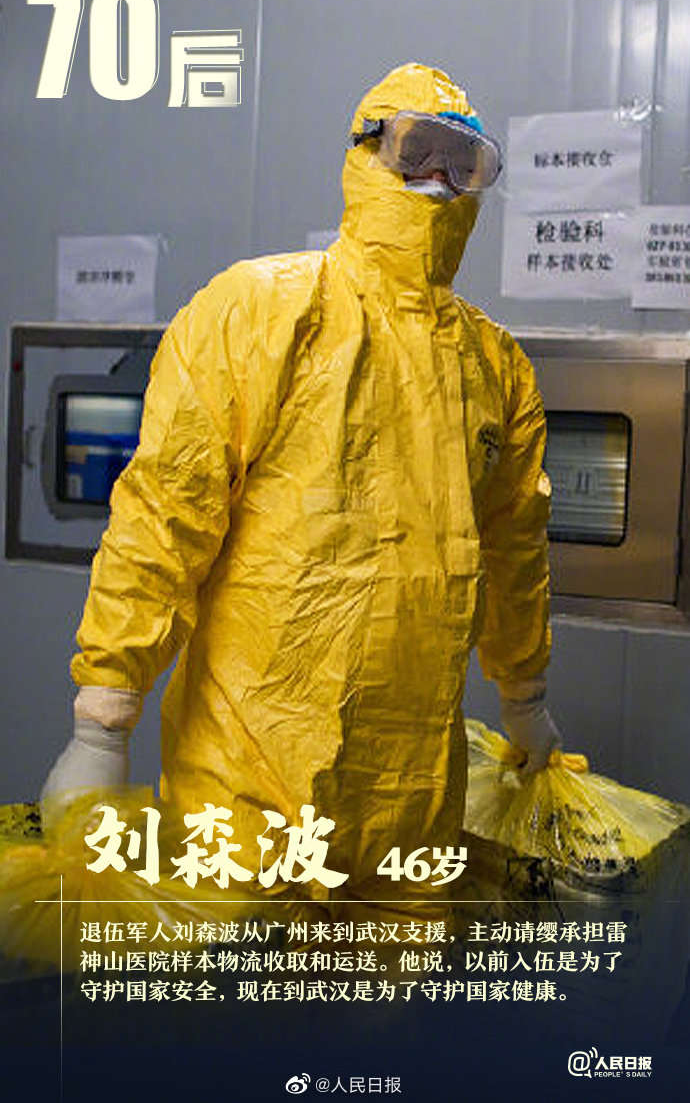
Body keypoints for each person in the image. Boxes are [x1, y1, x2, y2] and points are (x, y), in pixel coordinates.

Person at [42, 63, 560, 901]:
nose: (438, 180)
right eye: (416, 152)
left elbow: (515, 549)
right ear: (364, 155)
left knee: (388, 978)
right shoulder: (260, 309)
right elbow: (167, 513)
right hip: (248, 772)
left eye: (464, 165)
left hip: (412, 791)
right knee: (246, 976)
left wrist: (525, 695)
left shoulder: (495, 365)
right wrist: (103, 718)